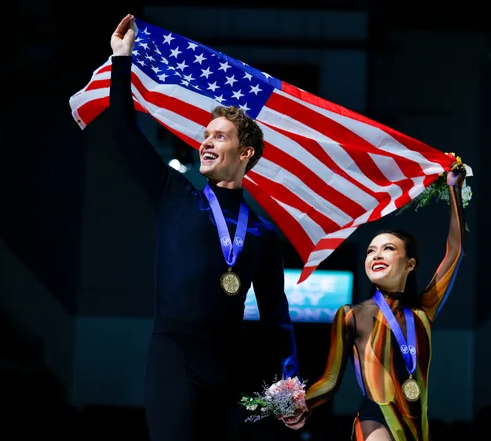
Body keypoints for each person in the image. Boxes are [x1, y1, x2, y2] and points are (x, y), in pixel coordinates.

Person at [107, 14, 303, 441]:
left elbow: (276, 316)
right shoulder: (174, 194)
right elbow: (123, 130)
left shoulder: (263, 234)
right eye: (205, 135)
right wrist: (122, 60)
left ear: (245, 151)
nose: (205, 142)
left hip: (232, 367)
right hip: (173, 356)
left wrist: (290, 382)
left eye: (219, 136)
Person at [283, 163, 467, 440]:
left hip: (418, 427)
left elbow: (456, 251)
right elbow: (331, 380)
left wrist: (455, 188)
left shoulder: (423, 310)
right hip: (375, 418)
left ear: (410, 264)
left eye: (388, 249)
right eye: (371, 251)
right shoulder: (351, 315)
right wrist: (299, 402)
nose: (376, 255)